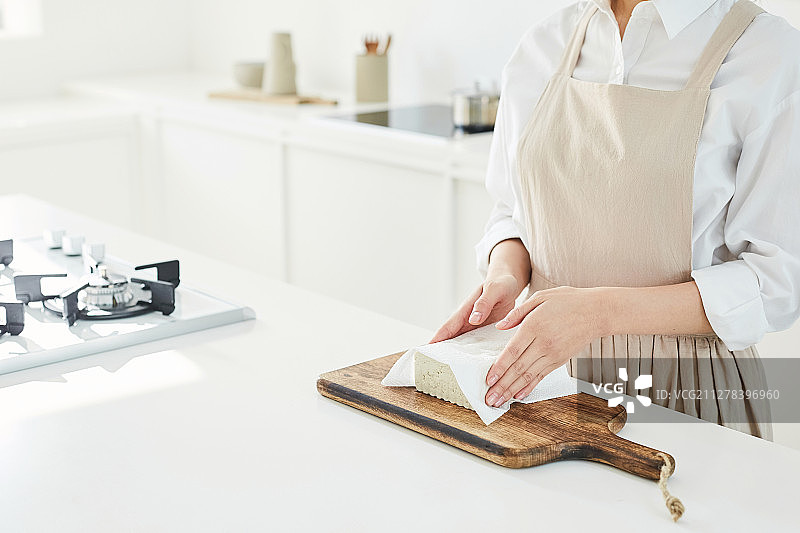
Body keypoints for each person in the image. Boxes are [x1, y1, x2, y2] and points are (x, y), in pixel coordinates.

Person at [431, 0, 800, 439]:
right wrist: (506, 276)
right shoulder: (547, 42)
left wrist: (598, 313)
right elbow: (512, 210)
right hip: (545, 381)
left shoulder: (768, 53)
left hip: (685, 391)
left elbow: (776, 281)